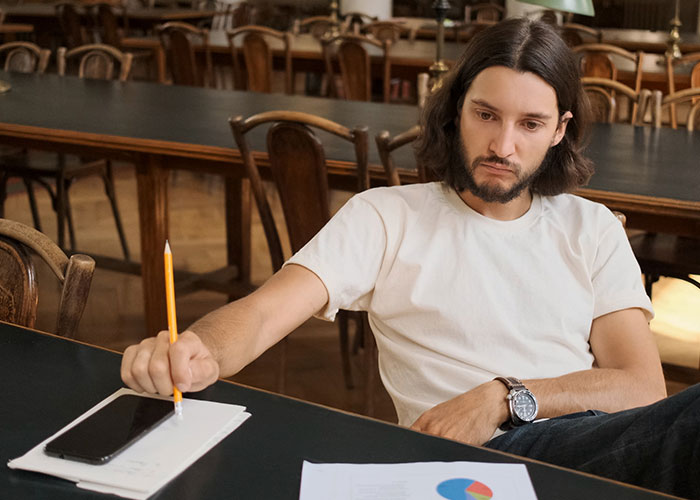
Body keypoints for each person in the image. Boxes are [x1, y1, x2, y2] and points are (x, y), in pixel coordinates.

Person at [121, 18, 699, 498]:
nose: (503, 146)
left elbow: (642, 387)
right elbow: (266, 313)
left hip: (589, 451)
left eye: (530, 124)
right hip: (469, 469)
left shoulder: (590, 227)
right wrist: (200, 350)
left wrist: (503, 397)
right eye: (486, 114)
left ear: (559, 131)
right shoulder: (388, 216)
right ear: (454, 111)